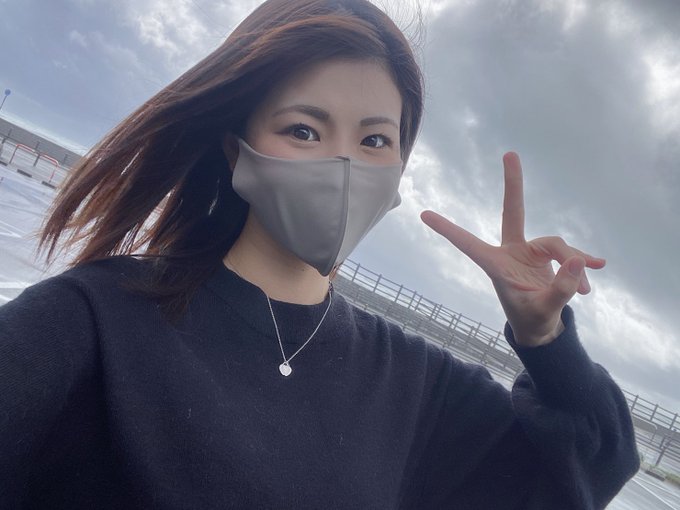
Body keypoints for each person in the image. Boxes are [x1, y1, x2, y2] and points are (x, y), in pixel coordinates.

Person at [0, 0, 639, 508]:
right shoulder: (93, 319)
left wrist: (546, 340)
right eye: (303, 130)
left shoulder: (419, 384)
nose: (342, 166)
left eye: (374, 140)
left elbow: (590, 469)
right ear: (236, 149)